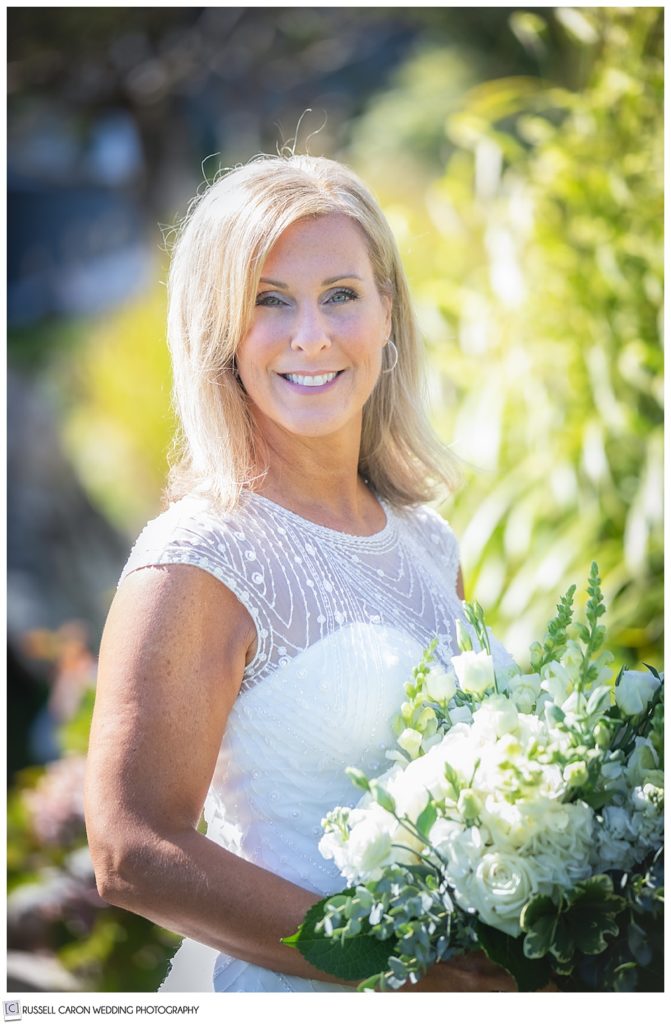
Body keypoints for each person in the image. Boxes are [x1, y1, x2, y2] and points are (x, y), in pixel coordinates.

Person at [84, 154, 518, 993]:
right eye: (268, 301)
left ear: (387, 311)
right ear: (219, 331)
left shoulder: (432, 543)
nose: (310, 334)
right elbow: (131, 849)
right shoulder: (199, 557)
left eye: (341, 294)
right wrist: (388, 969)